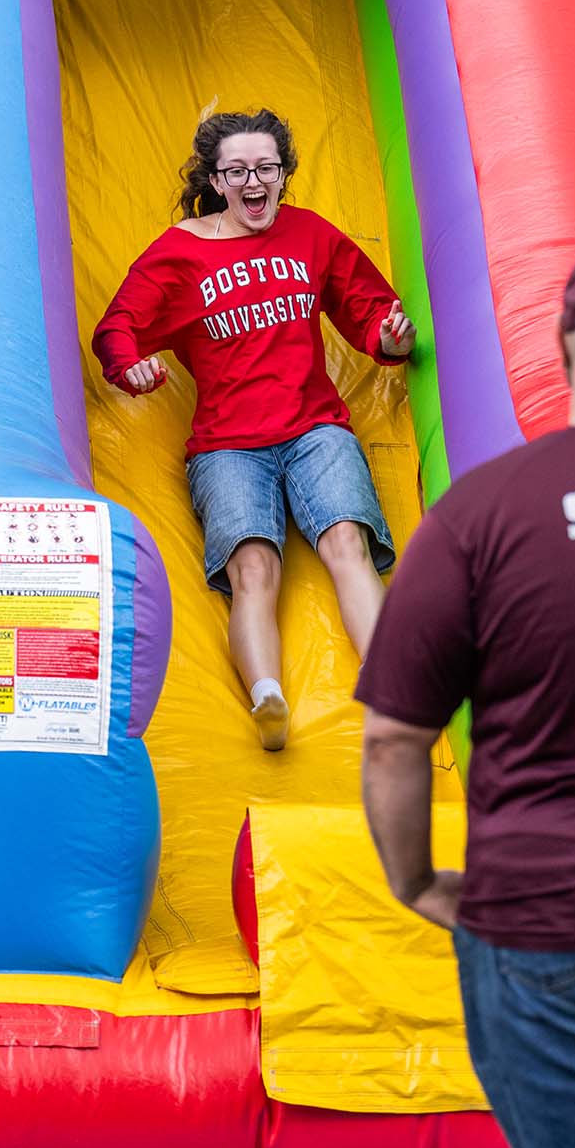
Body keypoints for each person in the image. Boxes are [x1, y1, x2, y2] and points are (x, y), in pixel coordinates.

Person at [357, 230, 575, 1148]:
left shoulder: (480, 511)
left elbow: (391, 739)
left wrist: (414, 879)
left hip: (557, 922)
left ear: (563, 344)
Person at [92, 108, 415, 750]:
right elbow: (117, 328)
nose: (253, 180)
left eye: (266, 167)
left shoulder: (310, 236)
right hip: (228, 445)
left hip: (315, 427)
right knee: (253, 568)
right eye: (237, 170)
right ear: (215, 180)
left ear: (283, 173)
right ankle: (268, 696)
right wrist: (132, 368)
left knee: (346, 544)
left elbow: (368, 306)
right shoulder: (179, 251)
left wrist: (389, 337)